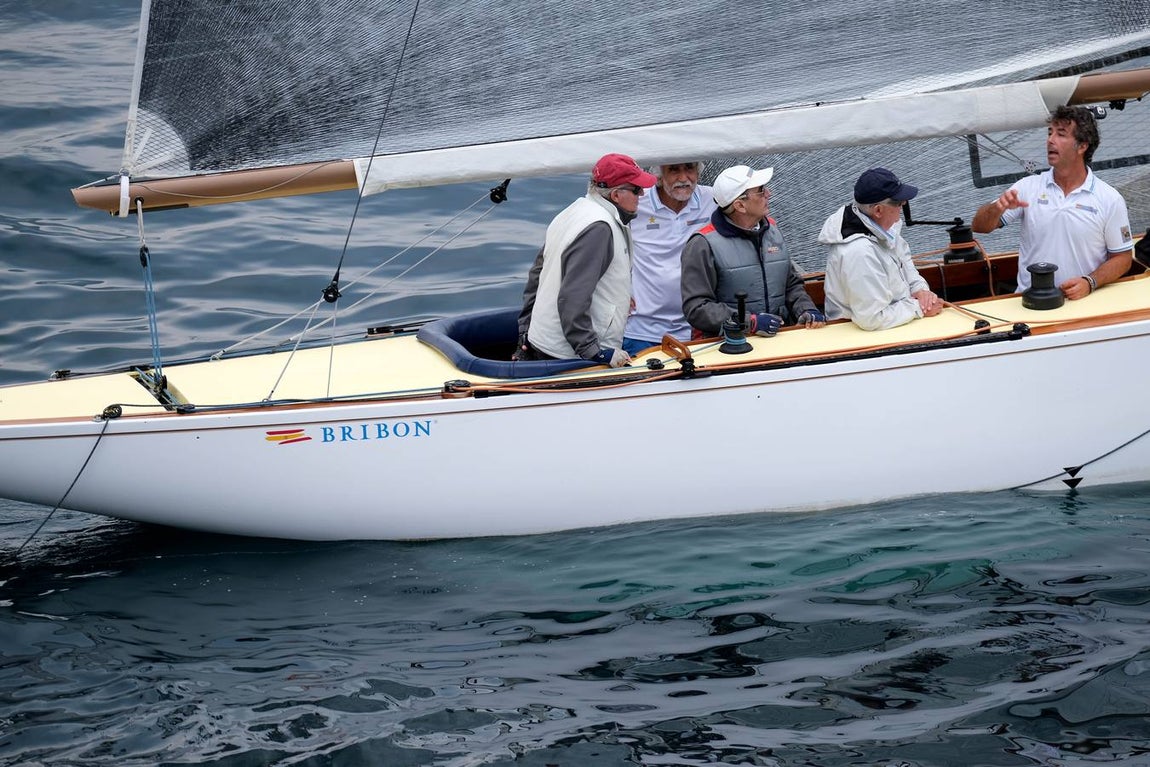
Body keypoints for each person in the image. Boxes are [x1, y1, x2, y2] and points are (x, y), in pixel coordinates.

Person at [971, 105, 1134, 298]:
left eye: (1061, 134)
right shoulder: (1027, 187)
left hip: (1083, 302)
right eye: (1050, 132)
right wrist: (998, 207)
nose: (1050, 140)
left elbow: (1123, 258)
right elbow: (979, 226)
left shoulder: (1109, 199)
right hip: (1030, 303)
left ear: (1082, 146)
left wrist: (1089, 282)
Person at [516, 153, 657, 367]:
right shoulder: (600, 228)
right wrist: (595, 352)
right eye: (636, 189)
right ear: (617, 195)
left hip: (545, 344)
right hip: (568, 356)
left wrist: (525, 329)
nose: (642, 194)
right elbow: (573, 297)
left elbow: (538, 274)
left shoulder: (573, 212)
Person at [680, 164, 824, 338]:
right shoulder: (702, 244)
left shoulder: (772, 230)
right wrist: (750, 322)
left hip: (780, 340)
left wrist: (806, 309)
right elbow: (697, 308)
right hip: (731, 348)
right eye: (761, 191)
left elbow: (791, 284)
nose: (768, 194)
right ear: (740, 205)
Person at [818, 167, 943, 331]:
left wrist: (921, 290)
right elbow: (871, 318)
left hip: (896, 323)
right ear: (878, 210)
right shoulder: (858, 252)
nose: (904, 205)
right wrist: (918, 308)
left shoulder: (886, 228)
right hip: (863, 337)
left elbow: (906, 266)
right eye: (899, 203)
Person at [622, 162, 716, 356]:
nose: (683, 178)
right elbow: (608, 248)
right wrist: (617, 289)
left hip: (697, 331)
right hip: (641, 331)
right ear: (658, 175)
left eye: (689, 169)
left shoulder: (715, 199)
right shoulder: (635, 203)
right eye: (674, 170)